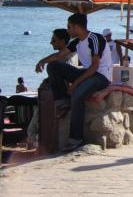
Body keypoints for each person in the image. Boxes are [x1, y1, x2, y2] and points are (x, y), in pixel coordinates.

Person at [35, 13, 113, 152]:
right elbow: (60, 55)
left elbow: (95, 67)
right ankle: (62, 102)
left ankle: (76, 138)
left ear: (77, 27)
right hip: (87, 73)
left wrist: (75, 83)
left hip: (101, 76)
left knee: (77, 95)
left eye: (69, 27)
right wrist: (42, 61)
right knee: (54, 66)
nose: (68, 30)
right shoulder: (77, 42)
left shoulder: (95, 38)